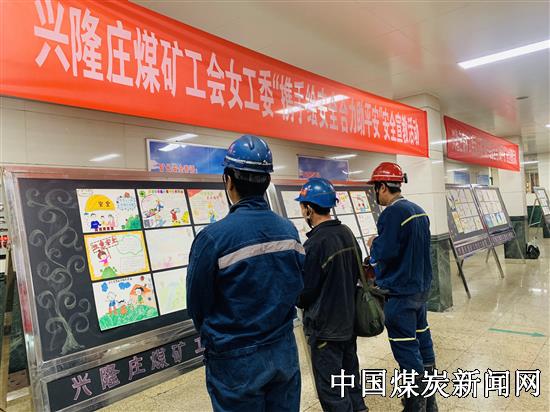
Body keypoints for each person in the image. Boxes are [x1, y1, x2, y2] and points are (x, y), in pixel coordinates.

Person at [186, 135, 305, 412]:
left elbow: (197, 305)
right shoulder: (289, 231)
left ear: (228, 180)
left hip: (235, 359)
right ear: (267, 181)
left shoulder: (213, 239)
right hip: (283, 350)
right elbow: (298, 285)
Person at [366, 162, 437, 412]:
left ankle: (415, 406)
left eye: (375, 188)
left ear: (383, 187)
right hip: (420, 291)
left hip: (399, 294)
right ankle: (430, 404)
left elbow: (385, 252)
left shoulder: (392, 213)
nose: (375, 194)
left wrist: (373, 244)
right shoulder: (419, 211)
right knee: (423, 343)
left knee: (406, 349)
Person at [295, 178, 368, 412]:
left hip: (325, 330)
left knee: (333, 392)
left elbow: (305, 293)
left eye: (302, 206)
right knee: (350, 381)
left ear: (309, 208)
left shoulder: (315, 244)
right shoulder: (346, 233)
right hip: (348, 324)